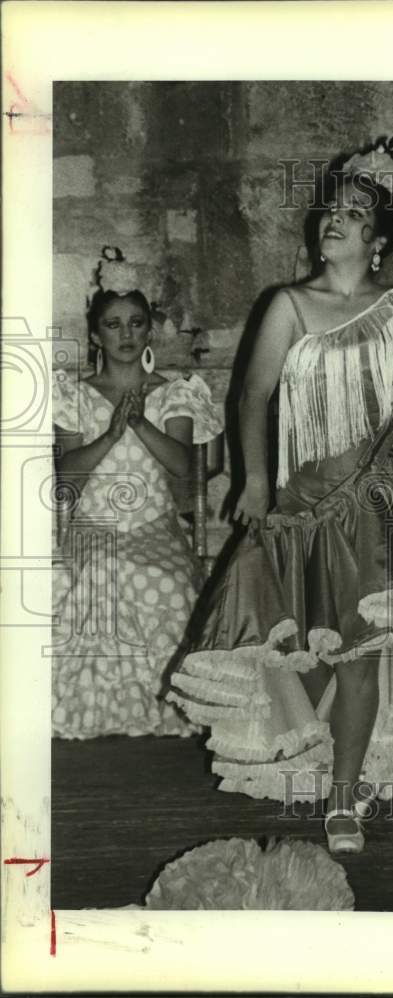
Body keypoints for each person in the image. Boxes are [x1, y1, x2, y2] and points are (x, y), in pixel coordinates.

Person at [167, 142, 393, 853]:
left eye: (355, 213)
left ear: (380, 239)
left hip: (374, 493)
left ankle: (343, 801)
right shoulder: (288, 304)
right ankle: (312, 758)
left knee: (362, 647)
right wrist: (255, 478)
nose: (335, 220)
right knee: (299, 644)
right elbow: (253, 394)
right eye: (331, 210)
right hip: (298, 498)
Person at [52, 252, 223, 738]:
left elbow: (185, 472)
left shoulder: (175, 393)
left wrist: (140, 423)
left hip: (154, 528)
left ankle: (162, 703)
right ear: (95, 335)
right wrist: (108, 435)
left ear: (150, 331)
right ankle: (97, 704)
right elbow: (66, 478)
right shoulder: (73, 395)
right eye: (113, 325)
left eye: (136, 323)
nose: (126, 334)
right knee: (100, 571)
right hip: (91, 528)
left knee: (164, 583)